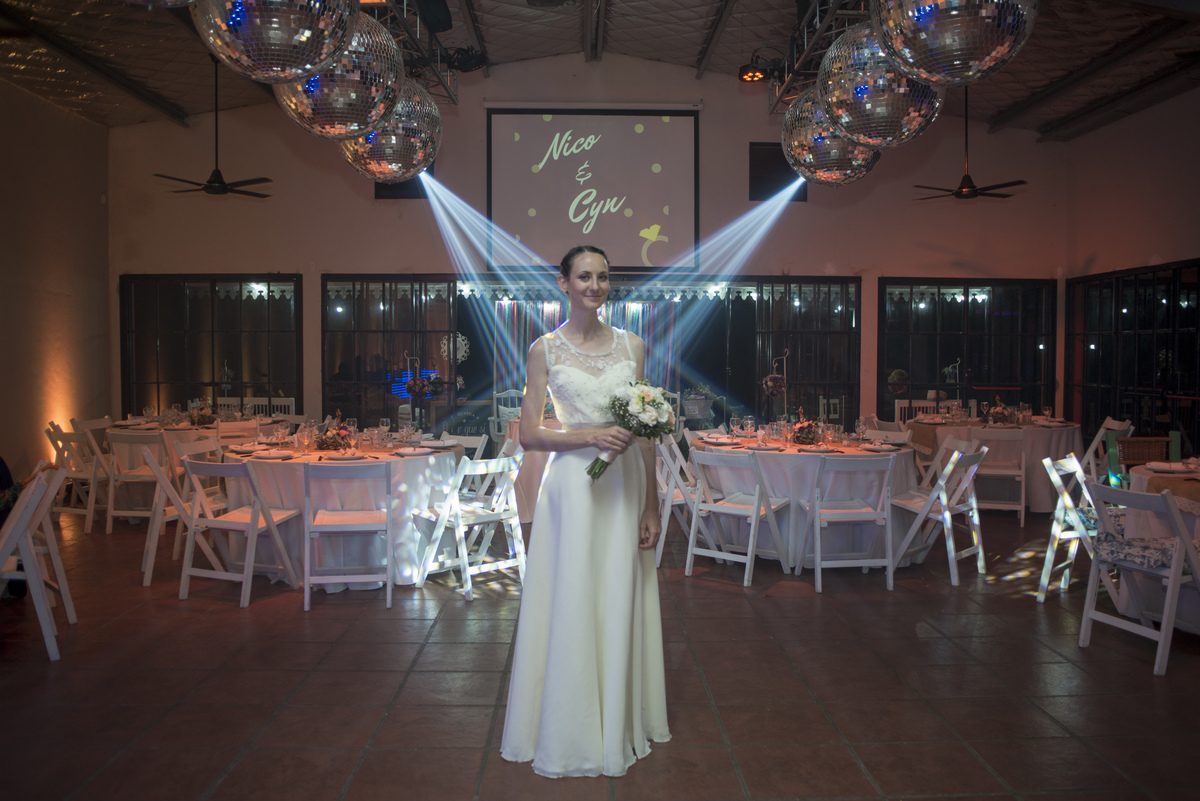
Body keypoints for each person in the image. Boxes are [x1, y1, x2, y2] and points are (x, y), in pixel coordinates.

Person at [500, 245, 671, 777]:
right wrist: (588, 435)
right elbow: (529, 433)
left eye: (602, 277)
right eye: (583, 277)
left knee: (618, 594)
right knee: (572, 595)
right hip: (572, 491)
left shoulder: (633, 346)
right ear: (564, 283)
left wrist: (651, 505)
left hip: (624, 487)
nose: (594, 285)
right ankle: (567, 725)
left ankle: (619, 718)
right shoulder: (543, 349)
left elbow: (643, 433)